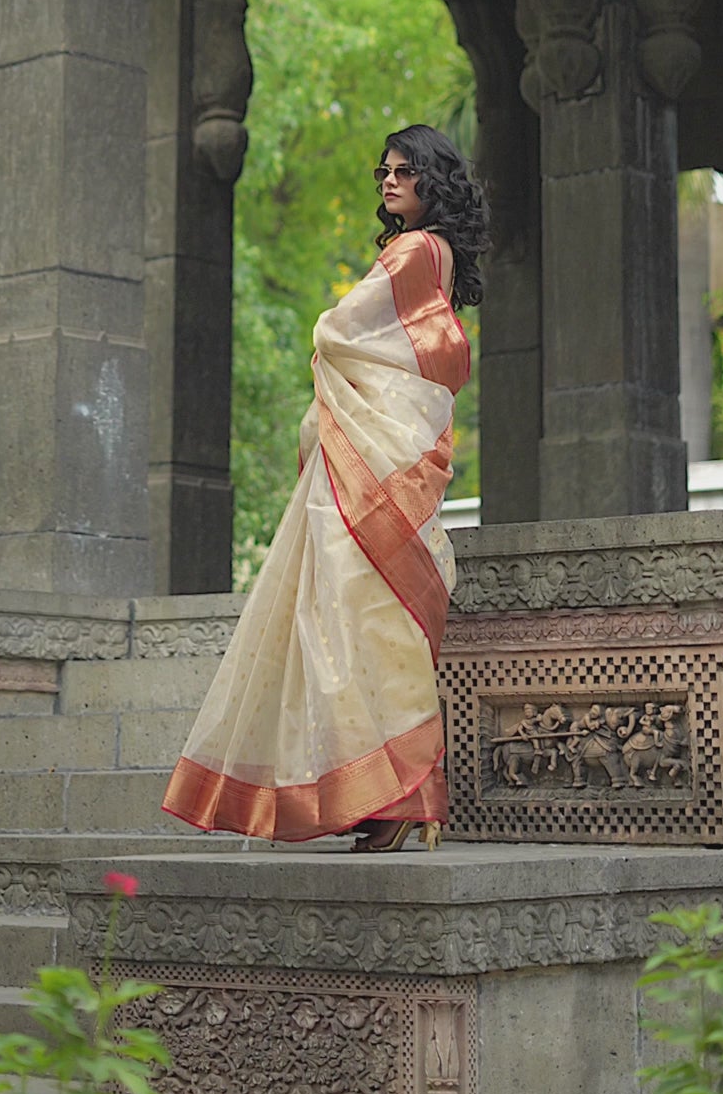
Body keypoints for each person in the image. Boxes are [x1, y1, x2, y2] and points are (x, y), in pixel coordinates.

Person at [162, 123, 489, 852]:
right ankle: (393, 792)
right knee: (372, 618)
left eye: (404, 171)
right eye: (385, 170)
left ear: (432, 180)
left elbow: (339, 329)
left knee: (349, 613)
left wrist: (329, 374)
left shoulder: (411, 251)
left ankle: (392, 792)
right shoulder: (438, 256)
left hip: (375, 455)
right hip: (393, 444)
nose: (388, 181)